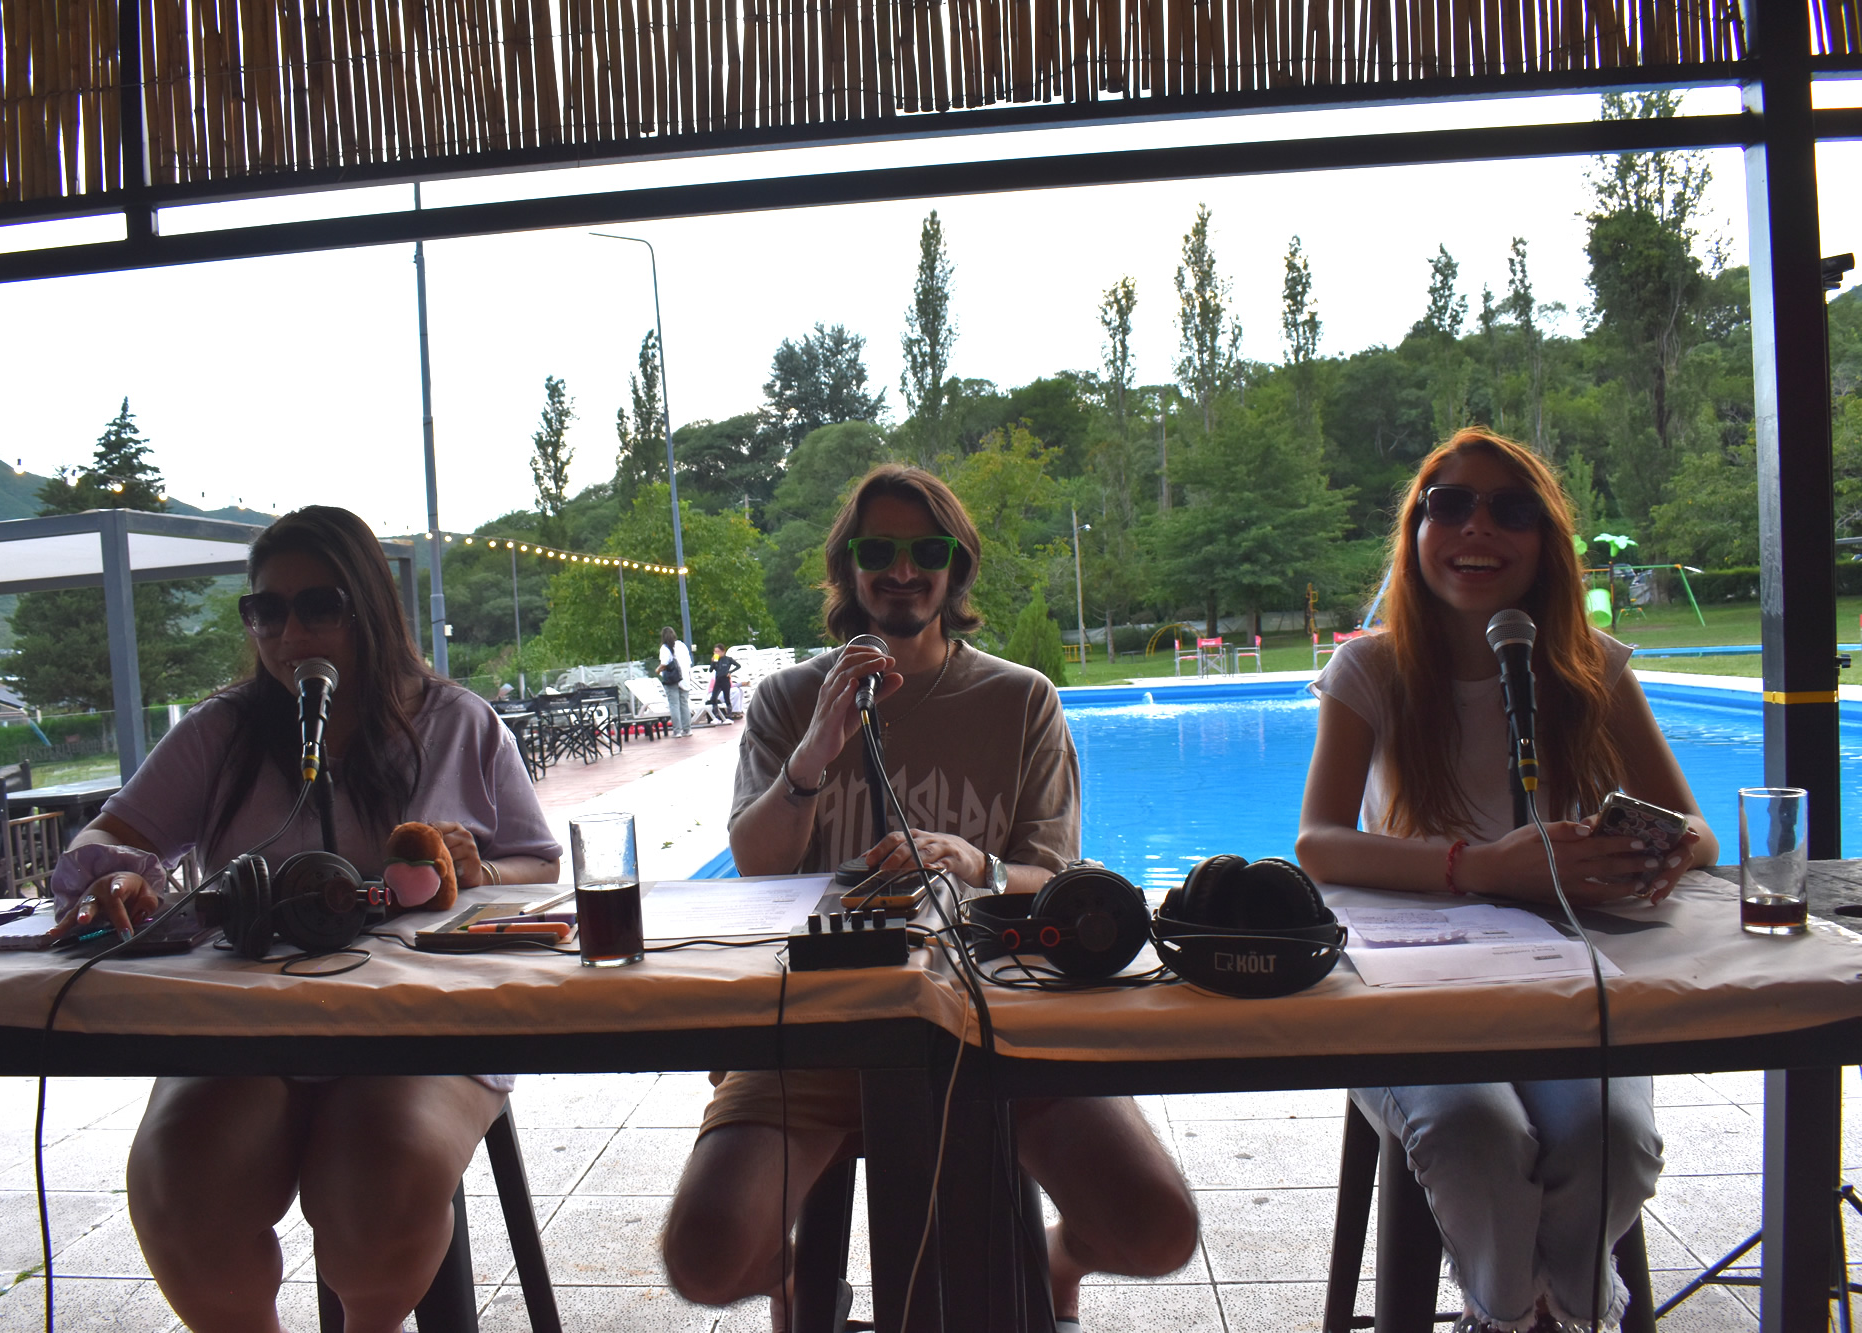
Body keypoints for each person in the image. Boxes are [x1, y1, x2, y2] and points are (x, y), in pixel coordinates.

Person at [661, 465, 1198, 1333]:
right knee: (704, 1256)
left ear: (957, 565)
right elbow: (756, 870)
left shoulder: (1021, 700)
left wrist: (975, 860)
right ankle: (797, 1285)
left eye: (927, 551)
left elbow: (1056, 876)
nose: (903, 570)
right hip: (813, 1030)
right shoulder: (789, 699)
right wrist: (815, 751)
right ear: (848, 566)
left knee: (1156, 1228)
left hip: (999, 1021)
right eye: (879, 550)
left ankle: (1055, 1264)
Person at [48, 506, 563, 1333]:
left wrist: (482, 871)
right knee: (181, 1189)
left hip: (428, 1024)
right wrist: (120, 874)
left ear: (372, 607)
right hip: (245, 1024)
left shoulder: (459, 720)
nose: (290, 634)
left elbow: (540, 864)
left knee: (378, 1185)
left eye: (320, 606)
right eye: (267, 610)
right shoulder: (220, 731)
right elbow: (105, 837)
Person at [1296, 429, 1718, 1333]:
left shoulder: (1596, 667)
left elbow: (1697, 829)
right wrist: (1480, 865)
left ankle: (1543, 1308)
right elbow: (1318, 843)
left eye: (1510, 509)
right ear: (1417, 529)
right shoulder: (1368, 669)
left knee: (1613, 1137)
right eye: (1449, 504)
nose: (1476, 526)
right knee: (1474, 1130)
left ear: (1545, 541)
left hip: (1563, 976)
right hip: (1412, 980)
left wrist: (1658, 851)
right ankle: (1518, 1310)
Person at [659, 624, 695, 738]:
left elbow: (664, 663)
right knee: (684, 704)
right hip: (684, 678)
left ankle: (677, 731)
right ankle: (687, 729)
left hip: (672, 679)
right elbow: (689, 662)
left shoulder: (665, 648)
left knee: (674, 705)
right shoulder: (682, 645)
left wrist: (657, 670)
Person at [699, 644, 740, 725]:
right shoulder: (716, 660)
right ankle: (716, 717)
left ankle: (729, 717)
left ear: (723, 652)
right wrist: (713, 662)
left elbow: (738, 666)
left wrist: (730, 672)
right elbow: (711, 670)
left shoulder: (728, 659)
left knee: (727, 698)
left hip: (725, 680)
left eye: (718, 651)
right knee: (713, 698)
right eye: (715, 652)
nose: (716, 653)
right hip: (718, 680)